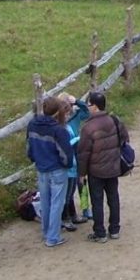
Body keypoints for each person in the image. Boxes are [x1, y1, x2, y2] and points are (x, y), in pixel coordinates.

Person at [77, 91, 127, 243]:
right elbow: (124, 139)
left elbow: (83, 153)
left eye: (89, 104)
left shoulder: (88, 128)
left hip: (96, 171)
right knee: (113, 198)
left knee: (97, 201)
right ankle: (115, 229)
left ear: (96, 107)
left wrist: (82, 173)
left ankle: (100, 232)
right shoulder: (114, 120)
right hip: (113, 167)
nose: (87, 107)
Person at [27, 95, 73, 248]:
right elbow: (65, 154)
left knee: (45, 202)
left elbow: (29, 146)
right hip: (57, 169)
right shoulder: (58, 130)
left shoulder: (32, 124)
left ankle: (46, 232)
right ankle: (53, 237)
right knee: (57, 203)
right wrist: (67, 165)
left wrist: (34, 159)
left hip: (41, 168)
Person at [59, 93, 91, 231]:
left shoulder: (76, 115)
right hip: (69, 153)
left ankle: (85, 209)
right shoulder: (60, 120)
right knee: (70, 186)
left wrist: (78, 101)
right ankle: (71, 214)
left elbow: (88, 113)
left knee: (82, 183)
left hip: (78, 151)